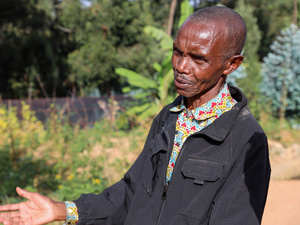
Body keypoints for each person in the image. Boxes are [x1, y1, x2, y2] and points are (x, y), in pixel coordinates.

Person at [0, 6, 271, 225]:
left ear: (231, 64)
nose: (181, 66)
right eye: (177, 52)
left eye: (198, 59)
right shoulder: (169, 117)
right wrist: (61, 210)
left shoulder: (247, 139)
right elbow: (131, 194)